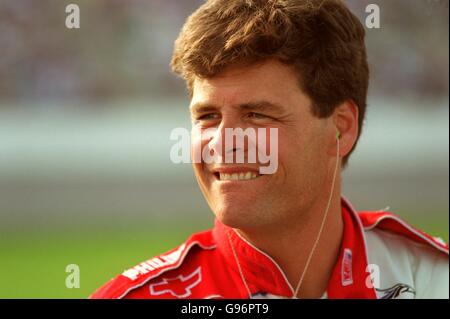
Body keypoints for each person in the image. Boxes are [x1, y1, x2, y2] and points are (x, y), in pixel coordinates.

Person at [90, 0, 448, 299]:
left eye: (257, 115)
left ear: (342, 127)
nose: (224, 141)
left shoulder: (434, 281)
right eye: (208, 116)